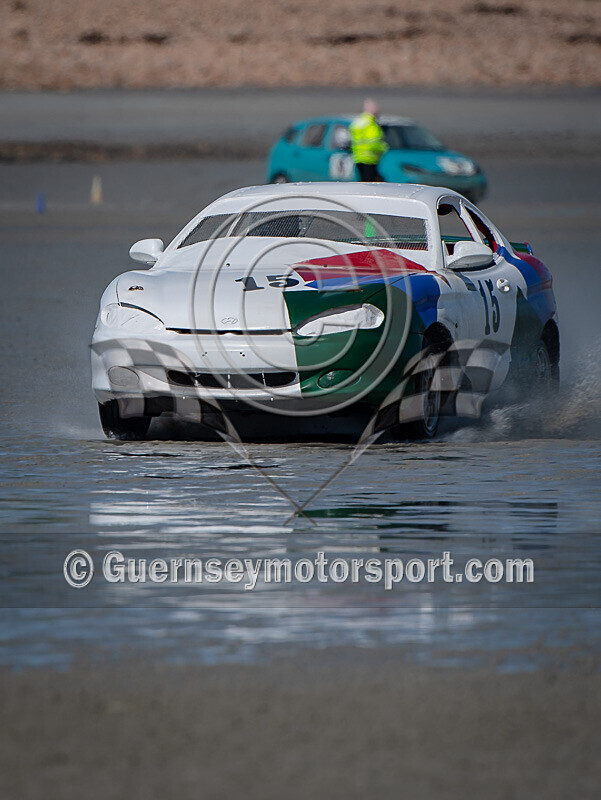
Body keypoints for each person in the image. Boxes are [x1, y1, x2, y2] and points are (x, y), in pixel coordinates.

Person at [349, 99, 388, 182]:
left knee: (364, 182)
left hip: (359, 157)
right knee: (370, 183)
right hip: (369, 157)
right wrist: (384, 148)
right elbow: (373, 142)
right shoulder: (370, 124)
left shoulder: (359, 121)